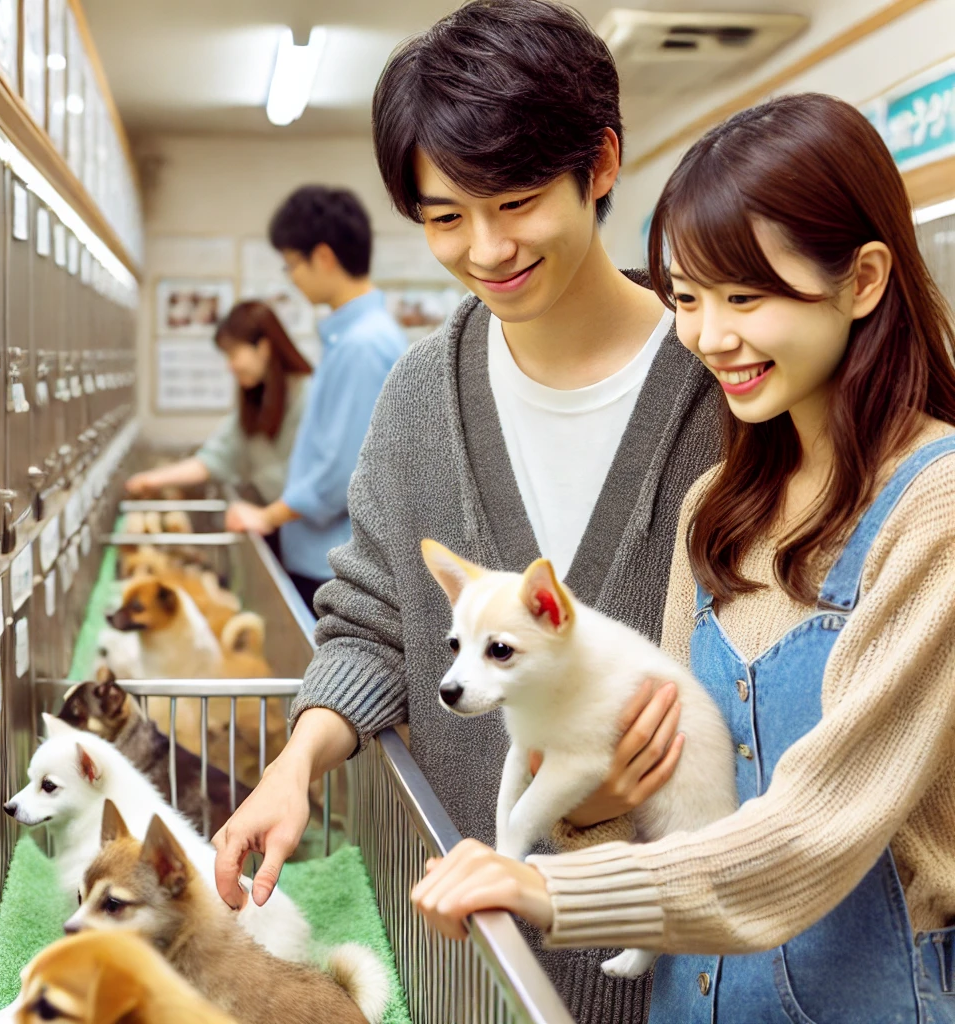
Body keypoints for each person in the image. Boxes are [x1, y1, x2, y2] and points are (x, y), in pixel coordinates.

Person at [213, 4, 719, 1019]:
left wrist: (615, 798)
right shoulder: (418, 395)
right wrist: (296, 762)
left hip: (687, 960)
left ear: (603, 163)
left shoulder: (723, 384)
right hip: (472, 956)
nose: (485, 249)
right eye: (444, 217)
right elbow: (369, 616)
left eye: (517, 201)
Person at [409, 93, 955, 1023]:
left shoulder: (934, 509)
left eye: (746, 297)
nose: (710, 337)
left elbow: (820, 828)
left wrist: (547, 888)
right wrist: (587, 811)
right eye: (690, 300)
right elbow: (657, 762)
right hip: (691, 998)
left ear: (863, 280)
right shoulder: (720, 507)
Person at [222, 186, 407, 614]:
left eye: (292, 266)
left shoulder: (361, 345)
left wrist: (267, 517)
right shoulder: (355, 338)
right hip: (328, 558)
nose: (293, 279)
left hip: (334, 563)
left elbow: (342, 473)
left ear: (322, 257)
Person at [126, 301, 310, 504]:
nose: (229, 366)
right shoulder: (257, 400)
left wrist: (267, 518)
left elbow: (316, 483)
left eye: (233, 354)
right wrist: (152, 480)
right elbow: (215, 457)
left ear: (263, 348)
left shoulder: (309, 395)